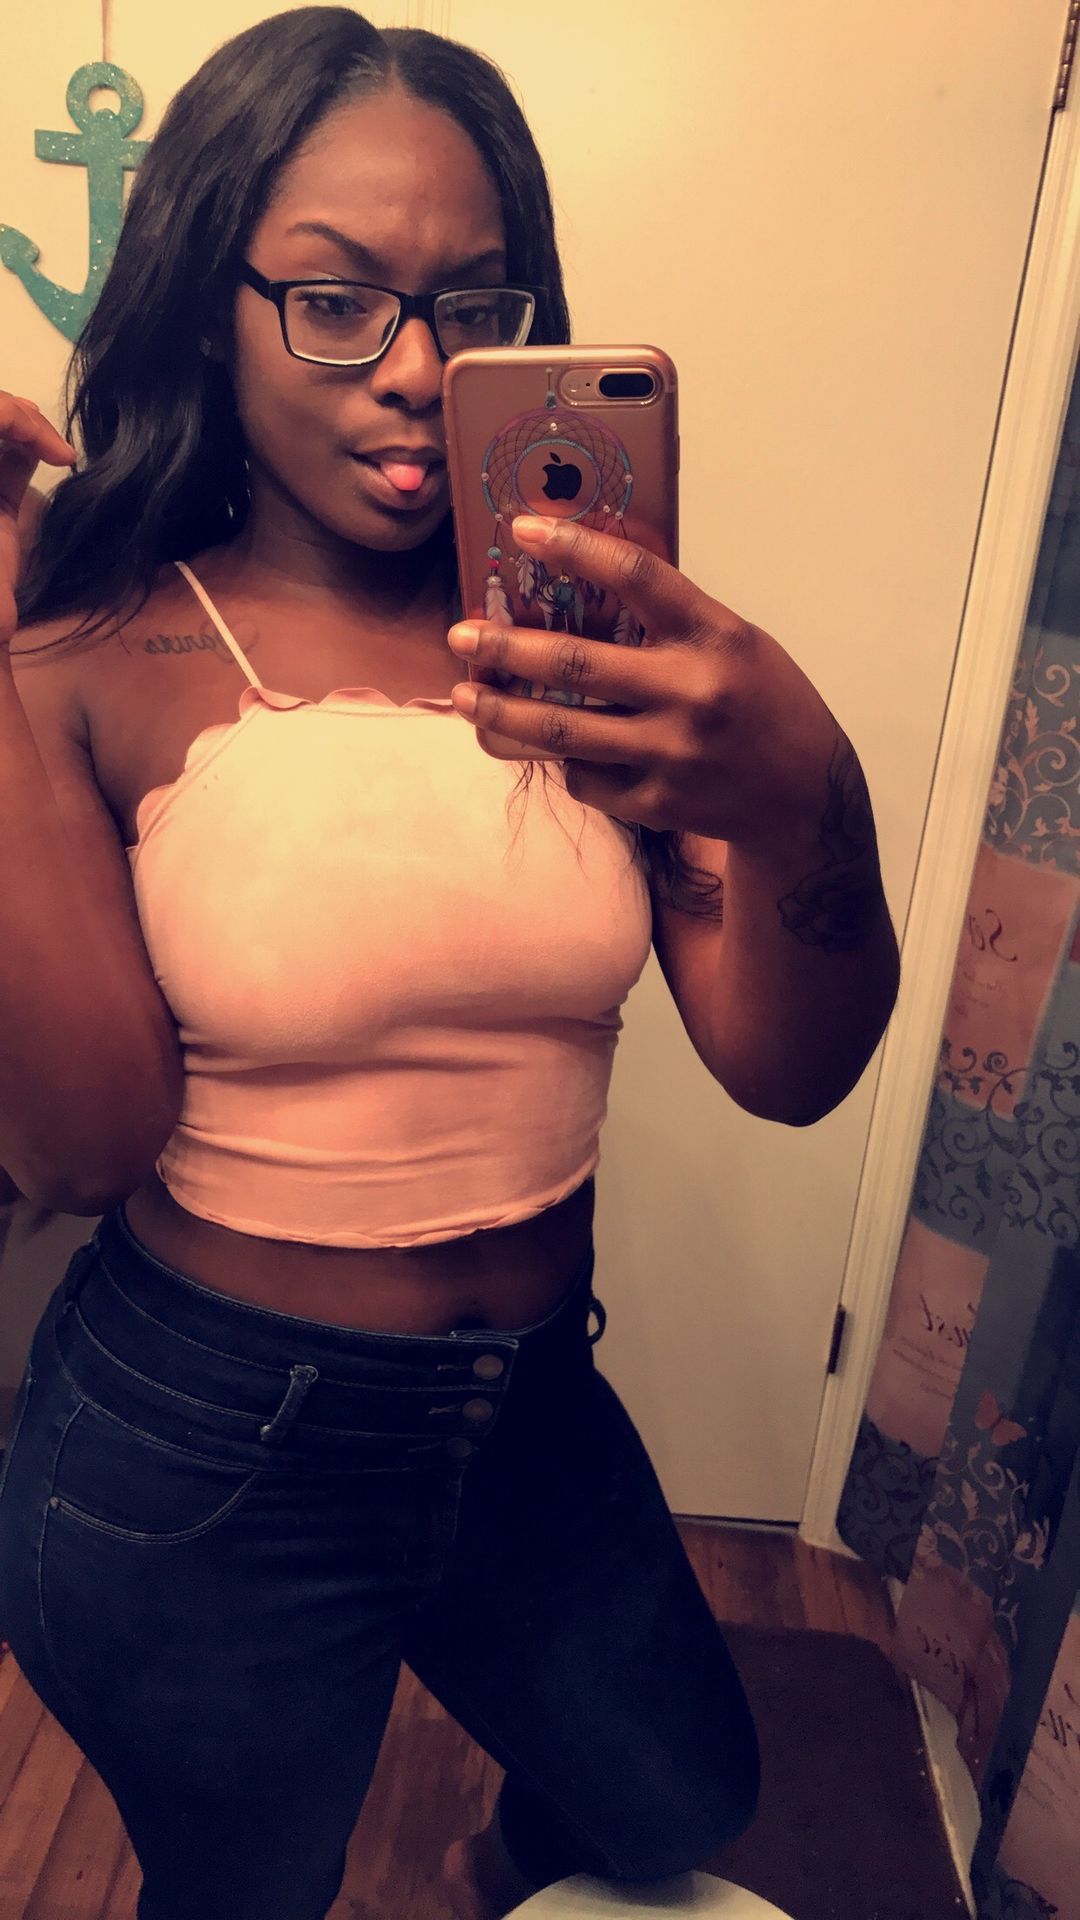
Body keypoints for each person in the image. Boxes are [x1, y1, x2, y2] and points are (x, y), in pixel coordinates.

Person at [0, 10, 901, 1919]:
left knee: (680, 1798)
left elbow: (789, 1066)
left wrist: (809, 792)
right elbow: (79, 1147)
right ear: (211, 304)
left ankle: (499, 1866)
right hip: (201, 1447)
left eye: (475, 308)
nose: (416, 371)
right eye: (336, 304)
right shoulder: (87, 657)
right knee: (250, 1887)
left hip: (525, 1409)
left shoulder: (591, 646)